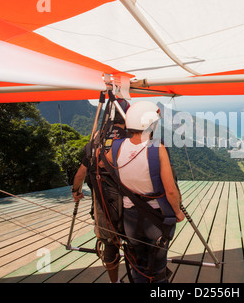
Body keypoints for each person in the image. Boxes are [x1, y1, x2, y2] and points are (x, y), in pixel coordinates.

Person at [104, 100, 185, 283]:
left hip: (129, 218)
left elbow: (102, 163)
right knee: (156, 268)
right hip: (155, 217)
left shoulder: (117, 147)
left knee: (138, 263)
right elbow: (170, 189)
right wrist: (178, 212)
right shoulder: (156, 148)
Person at [71, 98, 129, 283]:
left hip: (103, 204)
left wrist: (75, 191)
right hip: (130, 203)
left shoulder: (96, 141)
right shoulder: (131, 138)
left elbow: (81, 172)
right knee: (137, 244)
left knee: (110, 247)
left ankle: (115, 281)